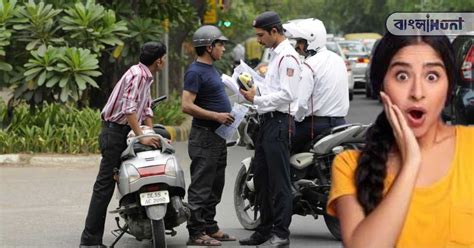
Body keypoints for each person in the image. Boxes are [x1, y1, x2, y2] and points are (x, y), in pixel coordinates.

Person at [327, 32, 474, 248]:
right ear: (381, 87)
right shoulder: (348, 165)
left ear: (449, 87)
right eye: (402, 76)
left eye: (431, 76)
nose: (417, 92)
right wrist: (412, 162)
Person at [79, 42, 166, 248]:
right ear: (159, 60)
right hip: (114, 133)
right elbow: (129, 110)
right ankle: (89, 241)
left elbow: (145, 109)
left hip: (123, 131)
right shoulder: (137, 75)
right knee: (105, 186)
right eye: (164, 57)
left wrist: (150, 133)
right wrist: (141, 137)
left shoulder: (145, 76)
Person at [239, 11, 300, 247]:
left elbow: (288, 94)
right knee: (262, 179)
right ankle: (263, 230)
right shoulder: (275, 55)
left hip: (280, 122)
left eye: (261, 35)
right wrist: (254, 88)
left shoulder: (288, 58)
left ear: (274, 31)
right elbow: (271, 87)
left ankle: (281, 233)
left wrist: (257, 100)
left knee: (279, 181)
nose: (258, 40)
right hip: (266, 122)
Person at [181, 25, 236, 246]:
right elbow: (186, 105)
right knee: (202, 185)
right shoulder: (195, 72)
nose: (223, 48)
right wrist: (216, 116)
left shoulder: (211, 69)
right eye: (220, 44)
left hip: (217, 137)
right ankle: (195, 232)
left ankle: (210, 226)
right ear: (209, 47)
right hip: (204, 136)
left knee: (216, 184)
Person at [283, 18, 349, 153]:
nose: (297, 47)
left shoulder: (310, 65)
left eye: (300, 42)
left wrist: (296, 118)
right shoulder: (338, 60)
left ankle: (284, 175)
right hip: (341, 123)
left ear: (311, 41)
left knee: (279, 145)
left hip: (315, 126)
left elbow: (301, 104)